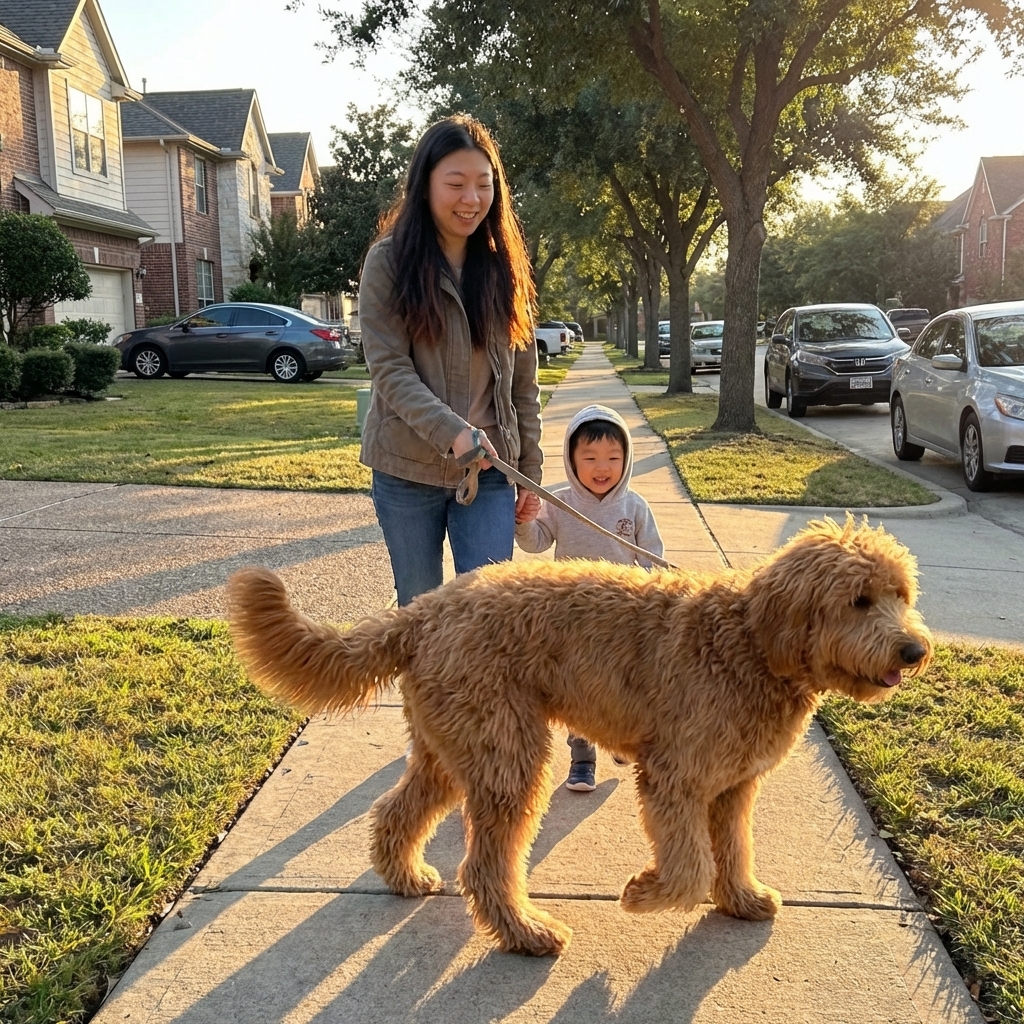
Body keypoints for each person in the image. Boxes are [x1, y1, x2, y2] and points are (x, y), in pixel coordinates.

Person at [358, 115, 543, 607]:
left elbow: (524, 386)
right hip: (406, 471)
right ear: (425, 186)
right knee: (419, 614)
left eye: (484, 185)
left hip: (492, 477)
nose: (471, 199)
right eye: (455, 184)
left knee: (486, 619)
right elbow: (390, 370)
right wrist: (453, 432)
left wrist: (531, 471)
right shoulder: (387, 262)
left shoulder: (504, 265)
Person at [514, 404, 664, 792]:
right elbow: (536, 543)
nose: (603, 467)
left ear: (626, 460)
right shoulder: (561, 503)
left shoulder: (635, 507)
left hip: (625, 619)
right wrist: (525, 519)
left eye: (613, 458)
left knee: (624, 686)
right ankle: (582, 761)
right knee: (578, 690)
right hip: (575, 619)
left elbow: (654, 560)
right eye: (590, 457)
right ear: (572, 460)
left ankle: (621, 738)